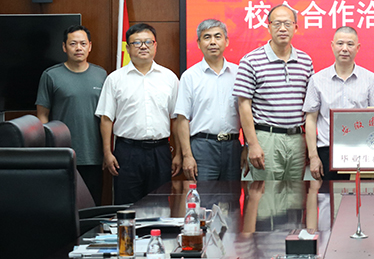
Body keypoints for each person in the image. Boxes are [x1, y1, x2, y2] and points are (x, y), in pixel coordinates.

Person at [95, 23, 180, 204]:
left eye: (148, 42)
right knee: (127, 206)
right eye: (137, 43)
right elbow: (106, 118)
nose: (143, 46)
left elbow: (177, 119)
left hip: (160, 151)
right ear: (128, 48)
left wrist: (179, 153)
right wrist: (107, 153)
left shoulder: (169, 78)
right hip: (127, 152)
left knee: (159, 206)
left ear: (155, 46)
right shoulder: (115, 79)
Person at [234, 5, 314, 180]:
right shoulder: (251, 61)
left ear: (296, 27)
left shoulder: (306, 61)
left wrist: (311, 146)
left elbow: (310, 106)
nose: (282, 28)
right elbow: (243, 105)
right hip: (266, 139)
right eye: (277, 24)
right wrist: (252, 144)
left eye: (287, 23)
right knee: (266, 194)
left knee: (296, 194)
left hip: (297, 139)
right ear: (268, 27)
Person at [303, 26, 374, 180]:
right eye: (340, 43)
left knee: (361, 194)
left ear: (358, 48)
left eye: (350, 44)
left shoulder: (370, 79)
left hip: (363, 151)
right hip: (327, 151)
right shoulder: (317, 80)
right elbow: (310, 119)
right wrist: (313, 156)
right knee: (328, 194)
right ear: (332, 45)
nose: (344, 49)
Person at [35, 25, 107, 204]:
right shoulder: (51, 75)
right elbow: (42, 115)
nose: (78, 48)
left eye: (83, 43)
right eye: (73, 43)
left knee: (92, 206)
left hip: (93, 155)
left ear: (90, 46)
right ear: (64, 47)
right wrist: (49, 150)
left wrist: (106, 151)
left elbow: (107, 117)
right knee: (63, 206)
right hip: (62, 154)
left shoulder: (101, 75)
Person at [174, 19, 242, 181]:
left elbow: (246, 113)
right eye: (207, 37)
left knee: (232, 195)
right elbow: (182, 119)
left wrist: (247, 146)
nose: (212, 42)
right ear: (198, 43)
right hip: (202, 147)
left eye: (217, 37)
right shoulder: (190, 76)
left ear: (226, 41)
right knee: (204, 195)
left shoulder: (239, 73)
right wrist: (187, 155)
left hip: (233, 147)